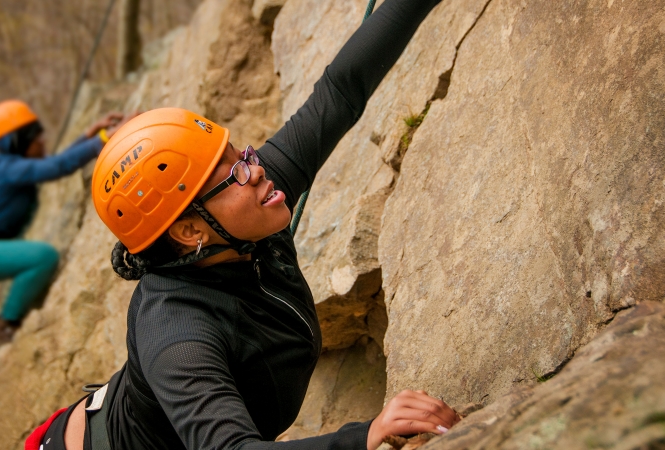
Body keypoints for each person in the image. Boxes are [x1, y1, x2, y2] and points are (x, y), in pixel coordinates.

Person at [28, 0, 459, 448]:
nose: (257, 170)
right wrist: (365, 435)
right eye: (233, 174)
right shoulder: (178, 334)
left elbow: (339, 92)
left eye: (241, 154)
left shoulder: (244, 209)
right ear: (189, 231)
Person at [0, 100, 136, 435]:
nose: (42, 141)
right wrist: (103, 139)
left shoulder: (13, 166)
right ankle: (7, 322)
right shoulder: (6, 167)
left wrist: (88, 136)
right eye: (35, 137)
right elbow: (52, 168)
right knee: (42, 257)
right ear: (15, 142)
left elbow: (48, 163)